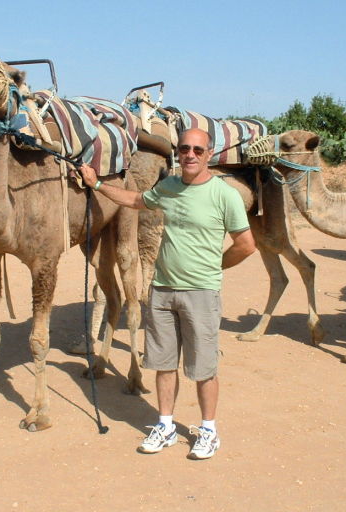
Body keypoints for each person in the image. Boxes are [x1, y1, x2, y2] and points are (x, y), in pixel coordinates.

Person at [79, 128, 256, 460]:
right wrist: (98, 185)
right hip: (161, 290)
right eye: (185, 149)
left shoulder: (224, 194)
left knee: (203, 368)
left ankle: (208, 431)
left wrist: (215, 267)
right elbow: (135, 200)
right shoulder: (169, 186)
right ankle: (165, 426)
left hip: (201, 293)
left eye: (197, 150)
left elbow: (246, 245)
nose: (190, 154)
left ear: (209, 153)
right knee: (163, 364)